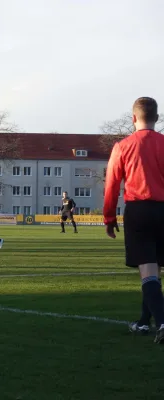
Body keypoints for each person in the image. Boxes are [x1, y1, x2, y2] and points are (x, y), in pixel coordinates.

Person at [104, 96, 164, 343]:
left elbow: (112, 185)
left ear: (133, 118)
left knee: (147, 268)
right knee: (154, 267)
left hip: (138, 211)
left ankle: (161, 322)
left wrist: (109, 217)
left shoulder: (123, 146)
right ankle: (143, 321)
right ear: (157, 118)